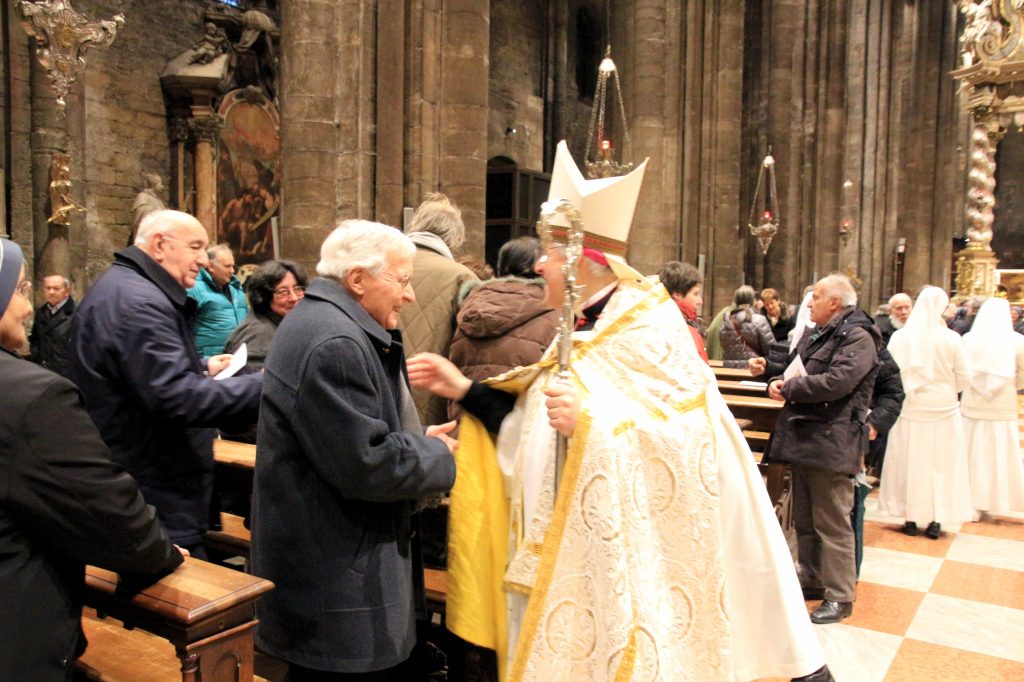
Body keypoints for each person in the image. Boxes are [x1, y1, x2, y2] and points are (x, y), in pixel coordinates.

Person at [408, 141, 827, 681]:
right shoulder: (582, 327)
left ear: (584, 262)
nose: (540, 264)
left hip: (629, 558)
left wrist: (591, 425)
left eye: (551, 252)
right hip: (567, 550)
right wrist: (466, 389)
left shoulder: (648, 327)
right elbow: (531, 424)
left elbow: (688, 439)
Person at [251, 219, 457, 679]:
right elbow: (367, 464)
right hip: (337, 577)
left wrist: (419, 440)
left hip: (328, 560)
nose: (410, 295)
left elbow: (346, 436)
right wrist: (440, 456)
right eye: (401, 281)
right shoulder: (336, 342)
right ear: (358, 279)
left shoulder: (321, 321)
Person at [0, 237, 185, 680]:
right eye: (20, 290)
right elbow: (107, 511)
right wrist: (163, 552)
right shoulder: (32, 397)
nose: (27, 307)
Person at [67, 210, 263, 554]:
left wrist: (200, 366)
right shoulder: (141, 303)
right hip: (154, 489)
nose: (203, 260)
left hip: (144, 482)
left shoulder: (124, 287)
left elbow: (134, 370)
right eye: (195, 247)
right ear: (159, 245)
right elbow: (178, 399)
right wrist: (265, 384)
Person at [766, 274, 881, 625]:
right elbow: (797, 367)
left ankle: (841, 595)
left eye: (816, 296)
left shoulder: (858, 336)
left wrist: (791, 388)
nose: (809, 302)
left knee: (833, 522)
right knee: (805, 518)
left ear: (835, 302)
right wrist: (777, 379)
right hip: (807, 437)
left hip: (833, 440)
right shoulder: (821, 333)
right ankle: (813, 577)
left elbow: (837, 382)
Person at [880, 286, 973, 539]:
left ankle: (909, 518)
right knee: (940, 465)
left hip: (910, 406)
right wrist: (948, 390)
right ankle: (935, 519)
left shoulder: (900, 337)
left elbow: (889, 373)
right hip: (943, 407)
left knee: (909, 461)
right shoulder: (952, 338)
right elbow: (965, 376)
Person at [399, 193, 479, 426]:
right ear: (456, 239)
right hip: (432, 395)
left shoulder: (382, 266)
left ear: (416, 225)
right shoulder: (462, 277)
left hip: (379, 391)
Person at [449, 236, 558, 390]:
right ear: (540, 268)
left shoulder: (470, 304)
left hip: (466, 400)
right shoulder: (553, 309)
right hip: (519, 404)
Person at [961, 297, 1024, 515]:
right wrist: (1012, 384)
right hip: (1002, 402)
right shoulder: (1018, 341)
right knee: (999, 453)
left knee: (972, 451)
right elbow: (1023, 374)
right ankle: (998, 499)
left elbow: (962, 370)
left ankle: (968, 497)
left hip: (973, 401)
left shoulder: (968, 339)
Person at [224, 259, 308, 372]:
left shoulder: (280, 323)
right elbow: (254, 380)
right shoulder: (258, 335)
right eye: (283, 292)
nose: (294, 298)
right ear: (264, 297)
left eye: (297, 289)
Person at [188, 243, 248, 358]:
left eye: (233, 266)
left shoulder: (237, 289)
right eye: (227, 266)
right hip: (208, 361)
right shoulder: (194, 289)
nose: (232, 271)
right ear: (211, 266)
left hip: (237, 360)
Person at [657, 260, 708, 363]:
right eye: (695, 294)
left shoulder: (654, 319)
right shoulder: (682, 330)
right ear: (678, 294)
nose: (700, 301)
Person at [29, 274, 75, 377]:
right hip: (42, 371)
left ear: (67, 291)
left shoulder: (76, 313)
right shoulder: (41, 312)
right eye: (48, 288)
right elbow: (35, 339)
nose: (51, 292)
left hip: (66, 373)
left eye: (56, 289)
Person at [720, 284, 774, 367]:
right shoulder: (759, 320)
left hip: (730, 367)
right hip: (754, 367)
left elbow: (724, 347)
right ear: (753, 300)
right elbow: (771, 348)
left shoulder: (726, 322)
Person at [129, 173, 166, 246]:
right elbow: (140, 210)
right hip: (148, 231)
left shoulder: (159, 201)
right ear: (154, 184)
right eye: (160, 184)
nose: (162, 187)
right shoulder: (143, 196)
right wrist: (154, 211)